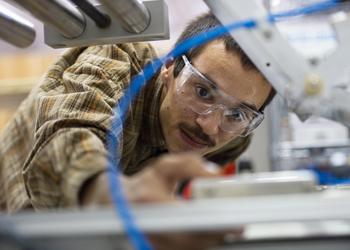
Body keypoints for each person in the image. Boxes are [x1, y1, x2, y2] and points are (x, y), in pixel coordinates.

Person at [0, 12, 274, 213]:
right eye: (202, 92)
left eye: (237, 114)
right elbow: (68, 136)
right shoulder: (117, 58)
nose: (210, 126)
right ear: (170, 68)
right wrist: (108, 196)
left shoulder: (234, 135)